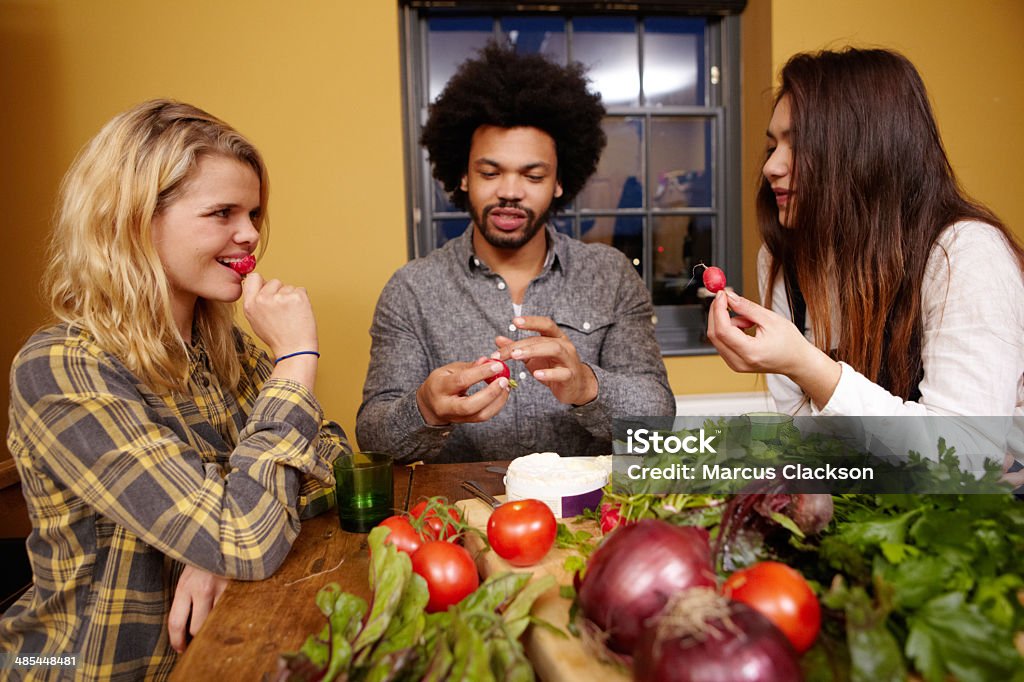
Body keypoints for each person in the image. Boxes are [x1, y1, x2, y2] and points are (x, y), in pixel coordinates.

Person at [0, 100, 350, 679]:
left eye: (255, 213)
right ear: (133, 219)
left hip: (219, 650)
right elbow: (246, 536)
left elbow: (335, 465)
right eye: (223, 213)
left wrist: (217, 548)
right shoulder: (61, 367)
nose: (251, 234)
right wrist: (296, 359)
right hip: (84, 664)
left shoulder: (227, 350)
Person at [706, 47, 1024, 482]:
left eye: (798, 144)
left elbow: (965, 461)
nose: (771, 167)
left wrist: (806, 364)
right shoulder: (781, 260)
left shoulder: (965, 253)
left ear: (868, 152)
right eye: (772, 145)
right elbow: (808, 442)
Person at [357, 42, 675, 463]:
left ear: (559, 182)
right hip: (464, 516)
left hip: (587, 519)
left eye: (533, 175)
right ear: (463, 177)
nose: (509, 192)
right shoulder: (412, 290)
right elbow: (373, 437)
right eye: (490, 172)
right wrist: (425, 409)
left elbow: (658, 420)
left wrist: (586, 386)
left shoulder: (611, 275)